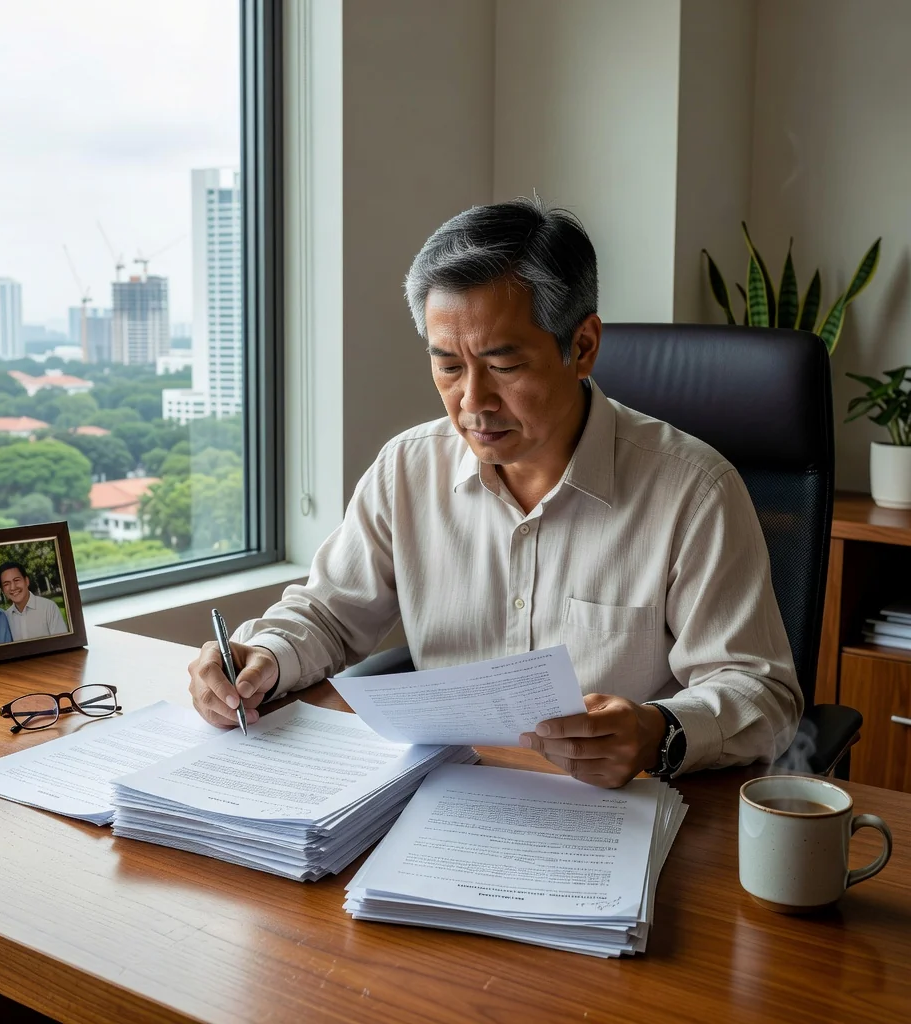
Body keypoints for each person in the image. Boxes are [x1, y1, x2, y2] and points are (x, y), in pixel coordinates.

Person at [187, 198, 802, 788]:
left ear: (582, 346)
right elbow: (327, 612)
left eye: (504, 367)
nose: (472, 402)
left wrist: (658, 730)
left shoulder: (694, 492)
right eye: (449, 366)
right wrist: (262, 655)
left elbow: (761, 692)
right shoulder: (407, 469)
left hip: (617, 811)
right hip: (438, 801)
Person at [0, 562, 68, 641]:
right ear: (3, 590)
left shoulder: (48, 608)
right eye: (6, 584)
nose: (13, 587)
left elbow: (62, 643)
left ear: (27, 581)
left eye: (16, 580)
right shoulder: (6, 617)